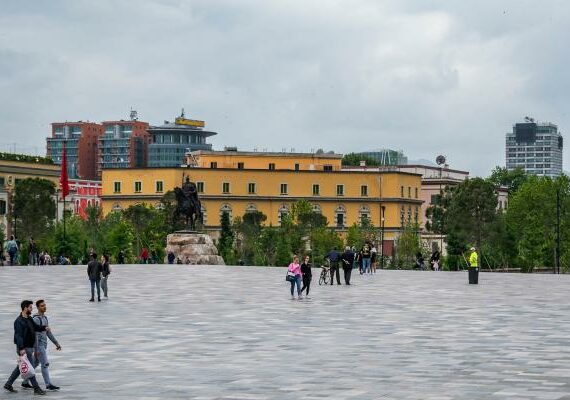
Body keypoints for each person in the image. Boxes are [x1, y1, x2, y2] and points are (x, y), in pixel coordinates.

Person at [3, 300, 47, 395]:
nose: (31, 309)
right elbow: (18, 336)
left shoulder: (29, 318)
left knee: (20, 367)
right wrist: (21, 348)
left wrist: (44, 328)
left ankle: (8, 384)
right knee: (30, 368)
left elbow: (36, 327)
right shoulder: (18, 321)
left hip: (29, 347)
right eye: (30, 307)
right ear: (25, 308)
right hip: (24, 348)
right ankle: (36, 388)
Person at [29, 300, 61, 391]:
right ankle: (48, 384)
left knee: (34, 364)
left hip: (43, 345)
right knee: (45, 364)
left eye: (45, 305)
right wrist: (36, 349)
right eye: (42, 306)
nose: (44, 307)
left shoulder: (45, 318)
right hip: (39, 346)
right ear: (38, 307)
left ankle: (25, 381)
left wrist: (56, 343)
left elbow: (48, 333)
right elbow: (35, 335)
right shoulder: (36, 319)